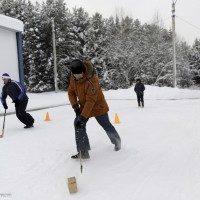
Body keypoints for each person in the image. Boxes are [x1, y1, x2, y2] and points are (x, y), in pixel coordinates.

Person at [68, 59, 121, 159]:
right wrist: (75, 106)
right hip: (85, 106)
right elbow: (71, 92)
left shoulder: (92, 80)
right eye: (75, 75)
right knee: (78, 124)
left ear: (83, 71)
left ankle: (117, 141)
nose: (77, 77)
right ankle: (83, 152)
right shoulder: (73, 78)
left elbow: (91, 101)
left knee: (106, 125)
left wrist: (83, 117)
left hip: (98, 107)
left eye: (79, 74)